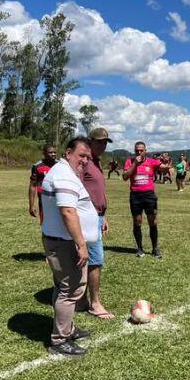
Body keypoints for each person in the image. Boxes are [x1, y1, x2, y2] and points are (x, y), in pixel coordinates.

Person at [40, 136, 99, 357]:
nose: (85, 160)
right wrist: (81, 244)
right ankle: (60, 340)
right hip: (66, 243)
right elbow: (67, 212)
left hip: (59, 240)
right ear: (68, 153)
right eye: (81, 155)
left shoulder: (61, 172)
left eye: (88, 157)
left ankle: (67, 328)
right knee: (71, 289)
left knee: (62, 287)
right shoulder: (64, 175)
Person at [82, 128, 114, 318]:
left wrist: (104, 216)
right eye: (99, 141)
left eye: (105, 142)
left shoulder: (96, 162)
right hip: (88, 217)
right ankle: (95, 303)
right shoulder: (84, 161)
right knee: (95, 259)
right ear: (90, 141)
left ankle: (82, 300)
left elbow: (97, 191)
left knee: (88, 258)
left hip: (98, 216)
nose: (103, 145)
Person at [123, 141, 166, 257]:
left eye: (141, 150)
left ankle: (155, 248)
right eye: (137, 150)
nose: (139, 152)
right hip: (135, 196)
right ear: (134, 150)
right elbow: (125, 176)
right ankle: (140, 249)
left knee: (153, 222)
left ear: (145, 151)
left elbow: (164, 167)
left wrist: (168, 165)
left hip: (149, 196)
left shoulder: (151, 162)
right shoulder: (129, 161)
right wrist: (134, 164)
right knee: (137, 222)